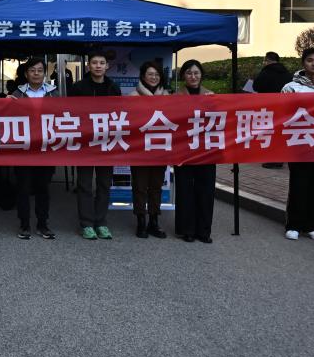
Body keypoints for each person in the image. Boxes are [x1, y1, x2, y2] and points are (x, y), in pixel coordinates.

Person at [281, 48, 314, 242]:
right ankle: (294, 225)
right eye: (310, 60)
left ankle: (313, 225)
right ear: (303, 63)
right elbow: (282, 112)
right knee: (299, 185)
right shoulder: (291, 87)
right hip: (300, 142)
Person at [70, 51, 122, 240]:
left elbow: (119, 114)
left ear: (107, 66)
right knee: (84, 184)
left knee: (104, 184)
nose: (98, 66)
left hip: (106, 142)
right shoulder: (78, 87)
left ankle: (101, 222)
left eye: (101, 63)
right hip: (84, 143)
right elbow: (70, 113)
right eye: (94, 62)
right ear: (88, 66)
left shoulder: (113, 87)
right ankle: (86, 224)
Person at [10, 56, 57, 239]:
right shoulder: (17, 94)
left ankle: (43, 224)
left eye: (39, 70)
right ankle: (24, 224)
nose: (36, 74)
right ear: (26, 73)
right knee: (23, 188)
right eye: (32, 70)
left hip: (45, 149)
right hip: (23, 149)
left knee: (43, 188)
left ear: (45, 73)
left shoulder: (54, 94)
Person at [173, 59, 215, 243]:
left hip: (206, 150)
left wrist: (215, 103)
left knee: (206, 190)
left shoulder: (211, 96)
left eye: (196, 73)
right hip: (184, 149)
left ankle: (204, 231)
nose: (193, 76)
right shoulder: (176, 97)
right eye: (189, 73)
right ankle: (187, 230)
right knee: (185, 190)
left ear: (201, 75)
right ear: (183, 76)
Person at [130, 61, 169, 239]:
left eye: (157, 74)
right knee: (139, 186)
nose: (154, 77)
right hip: (139, 149)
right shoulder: (133, 96)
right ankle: (141, 221)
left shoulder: (168, 97)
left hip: (159, 147)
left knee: (156, 186)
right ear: (143, 76)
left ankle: (154, 221)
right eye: (150, 74)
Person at [253, 52, 293, 169]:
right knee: (280, 133)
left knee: (270, 133)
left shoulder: (265, 72)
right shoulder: (287, 73)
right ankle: (280, 158)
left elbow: (256, 86)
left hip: (268, 108)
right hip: (284, 108)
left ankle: (272, 159)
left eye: (264, 61)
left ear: (267, 60)